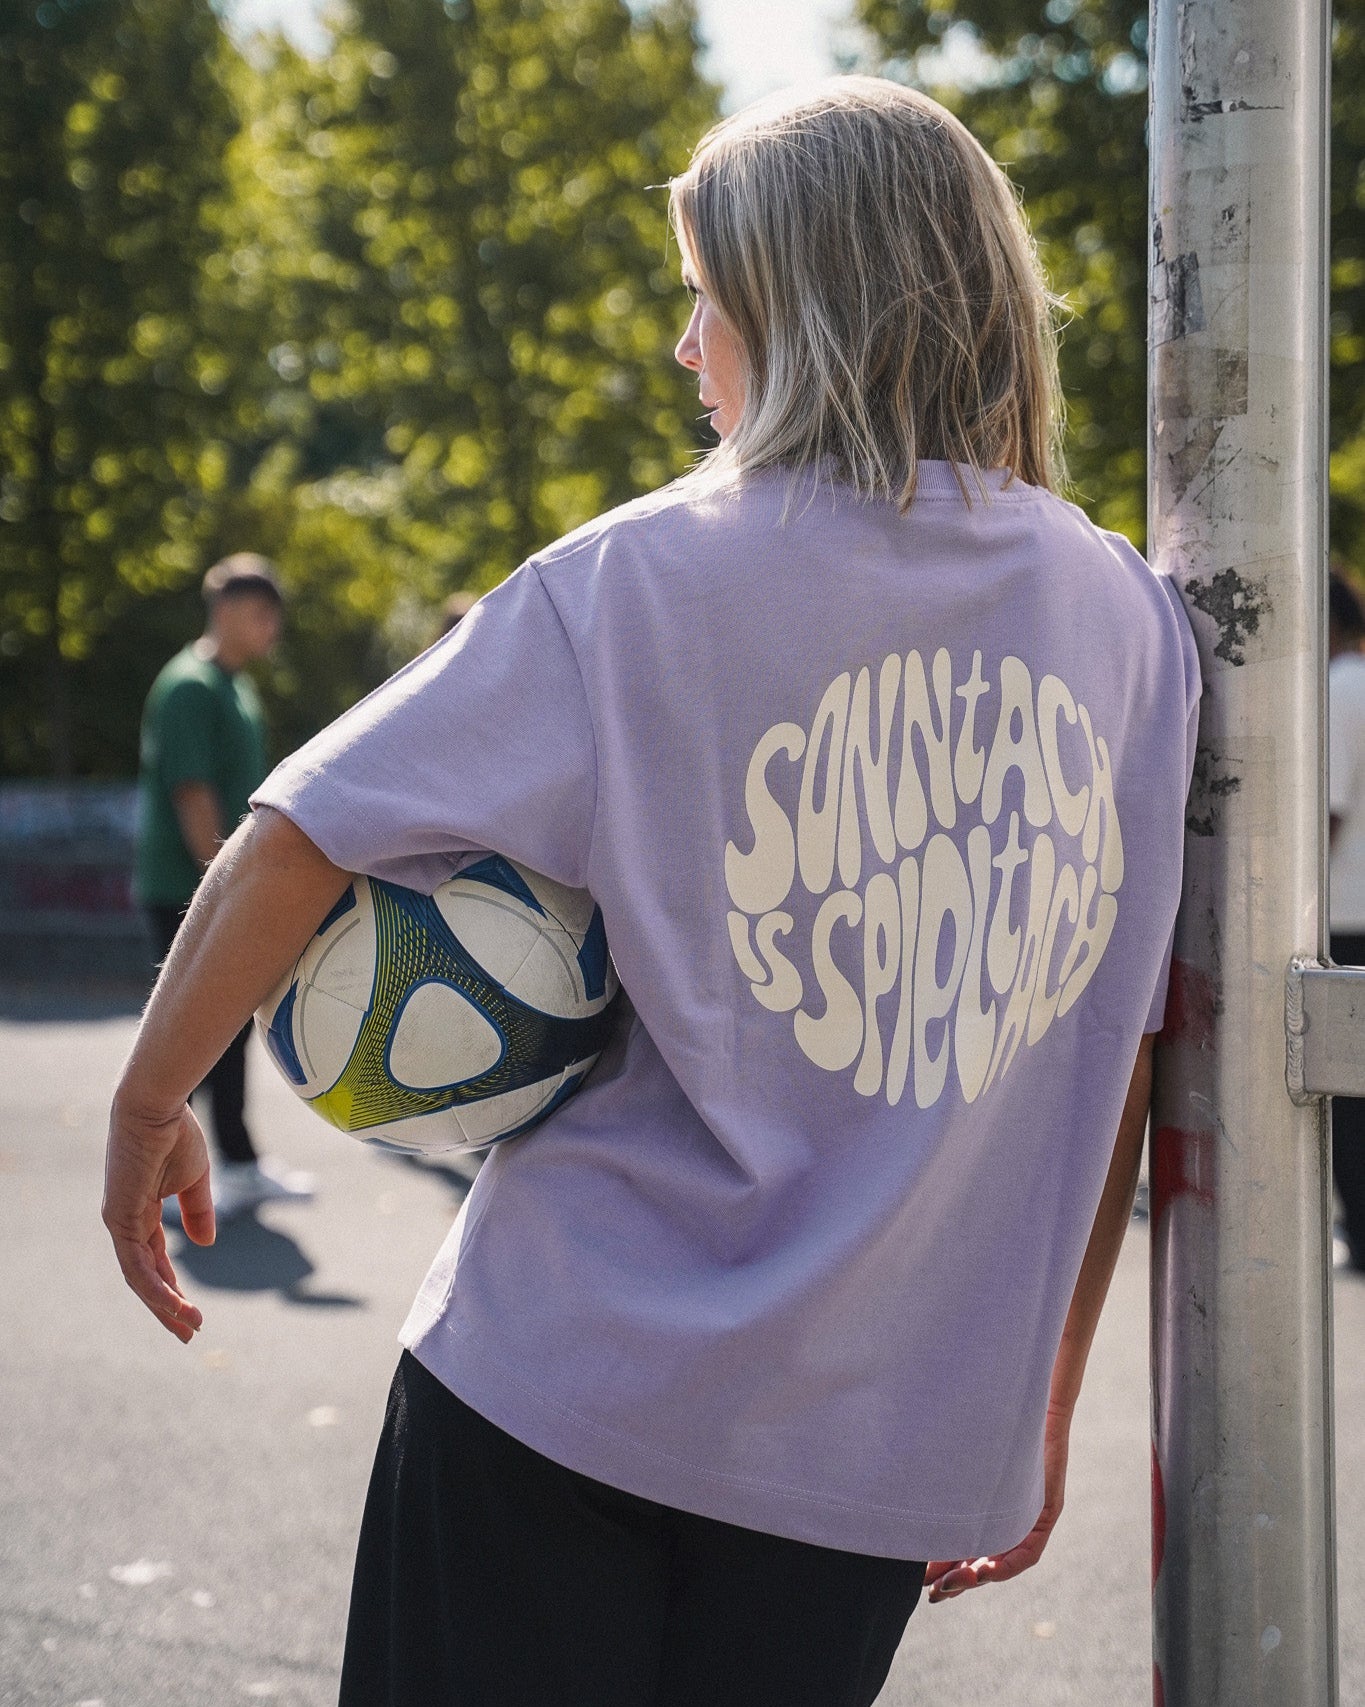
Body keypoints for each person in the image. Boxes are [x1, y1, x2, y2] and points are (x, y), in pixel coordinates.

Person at [104, 79, 1199, 1707]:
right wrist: (1040, 1389)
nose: (687, 348)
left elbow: (295, 830)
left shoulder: (631, 575)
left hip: (552, 1384)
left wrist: (147, 1102)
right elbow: (1107, 1047)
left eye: (706, 297)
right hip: (870, 1452)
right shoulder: (1135, 627)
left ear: (806, 303)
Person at [133, 552, 314, 1222]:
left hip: (215, 889)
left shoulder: (235, 687)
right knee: (185, 1037)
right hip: (184, 889)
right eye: (262, 614)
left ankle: (235, 1162)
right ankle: (160, 1183)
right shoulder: (191, 685)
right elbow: (193, 795)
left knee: (227, 1032)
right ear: (228, 609)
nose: (272, 628)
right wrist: (229, 889)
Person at [1329, 569, 1365, 1271]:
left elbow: (1328, 812)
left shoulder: (1337, 687)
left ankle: (1358, 1233)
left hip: (1342, 907)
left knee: (1344, 1100)